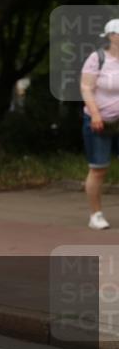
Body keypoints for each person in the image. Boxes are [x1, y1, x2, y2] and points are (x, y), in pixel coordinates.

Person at [80, 17, 119, 230]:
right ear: (113, 37)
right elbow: (86, 88)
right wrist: (95, 114)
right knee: (98, 169)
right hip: (99, 120)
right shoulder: (97, 58)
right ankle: (95, 215)